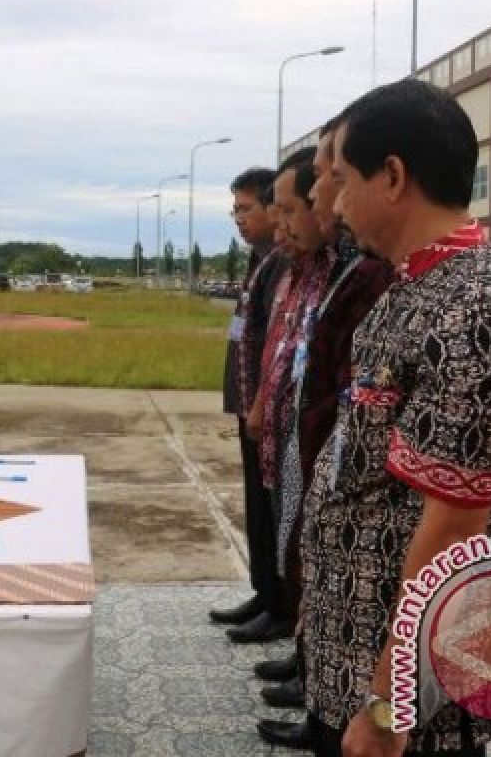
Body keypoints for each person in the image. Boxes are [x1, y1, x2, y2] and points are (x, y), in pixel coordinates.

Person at [300, 79, 491, 756]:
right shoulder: (413, 288)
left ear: (392, 176)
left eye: (342, 179)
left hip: (414, 708)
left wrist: (391, 704)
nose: (334, 201)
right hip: (356, 659)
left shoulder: (479, 311)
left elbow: (453, 529)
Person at [255, 119, 394, 751]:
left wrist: (388, 706)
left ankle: (329, 707)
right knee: (307, 567)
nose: (319, 203)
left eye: (330, 183)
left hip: (345, 481)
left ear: (390, 177)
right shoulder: (319, 270)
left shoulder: (371, 274)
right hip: (309, 447)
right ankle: (321, 697)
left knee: (337, 595)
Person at [210, 167, 293, 644]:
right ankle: (264, 592)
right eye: (234, 211)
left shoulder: (281, 262)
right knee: (257, 507)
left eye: (247, 209)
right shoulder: (257, 261)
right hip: (249, 404)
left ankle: (279, 603)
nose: (239, 220)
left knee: (271, 509)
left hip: (267, 410)